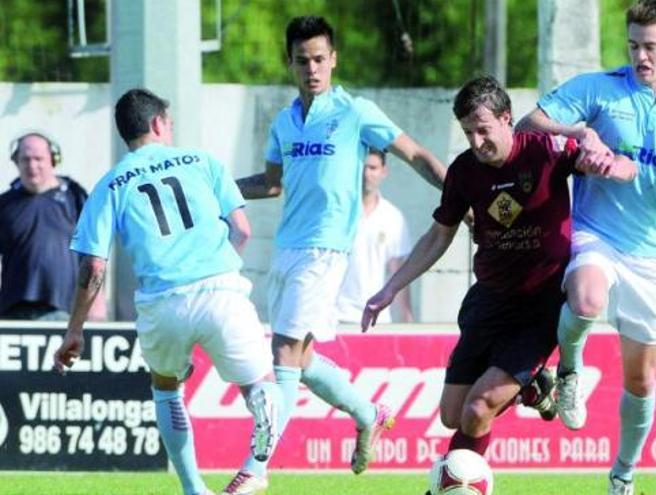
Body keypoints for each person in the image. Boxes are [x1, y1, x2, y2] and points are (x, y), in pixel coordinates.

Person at [362, 76, 636, 493]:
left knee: (478, 408)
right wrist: (391, 288)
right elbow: (439, 235)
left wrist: (606, 159)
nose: (475, 141)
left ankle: (447, 490)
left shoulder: (544, 151)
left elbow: (608, 161)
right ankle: (533, 389)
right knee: (452, 415)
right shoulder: (464, 172)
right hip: (489, 301)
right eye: (468, 132)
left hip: (540, 306)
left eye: (483, 129)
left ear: (508, 120)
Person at [516, 1, 656, 493]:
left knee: (640, 381)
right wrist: (581, 134)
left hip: (649, 254)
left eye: (651, 47)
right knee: (587, 298)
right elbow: (528, 126)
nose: (641, 56)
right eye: (633, 45)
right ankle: (569, 370)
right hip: (596, 233)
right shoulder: (599, 89)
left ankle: (623, 476)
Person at [227, 15, 447, 494]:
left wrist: (460, 193)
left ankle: (255, 470)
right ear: (290, 63)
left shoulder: (355, 112)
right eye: (303, 60)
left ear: (334, 61)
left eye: (320, 59)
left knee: (283, 353)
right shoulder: (284, 121)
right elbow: (270, 183)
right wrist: (219, 192)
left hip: (325, 252)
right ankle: (370, 413)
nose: (312, 69)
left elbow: (415, 154)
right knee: (299, 361)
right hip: (287, 250)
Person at [53, 88, 282, 495]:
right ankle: (255, 467)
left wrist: (75, 330)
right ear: (158, 122)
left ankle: (194, 489)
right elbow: (242, 230)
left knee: (166, 388)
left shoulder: (110, 185)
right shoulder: (203, 162)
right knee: (260, 383)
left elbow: (93, 266)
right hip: (221, 290)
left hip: (163, 302)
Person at [0, 132, 106, 321]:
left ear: (53, 159)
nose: (32, 166)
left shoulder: (74, 197)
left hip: (63, 311)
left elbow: (93, 256)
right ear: (16, 161)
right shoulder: (5, 204)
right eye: (26, 159)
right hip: (12, 312)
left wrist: (96, 307)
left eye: (38, 159)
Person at [336, 148, 414, 324]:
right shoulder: (336, 213)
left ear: (383, 172)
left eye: (372, 168)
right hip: (335, 317)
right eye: (362, 167)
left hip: (375, 319)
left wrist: (407, 320)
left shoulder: (393, 217)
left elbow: (399, 273)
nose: (366, 174)